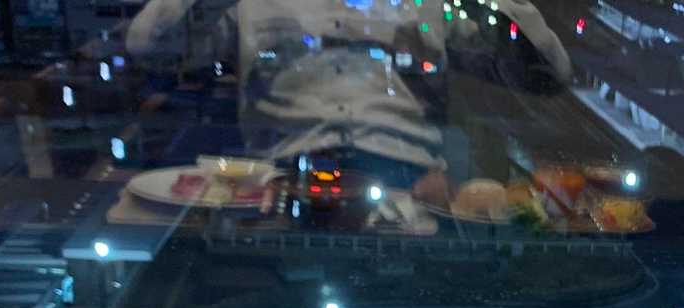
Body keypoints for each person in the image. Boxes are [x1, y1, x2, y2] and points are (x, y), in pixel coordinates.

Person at [124, 0, 571, 178]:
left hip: (411, 183)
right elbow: (148, 46)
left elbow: (546, 77)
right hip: (281, 178)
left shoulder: (431, 2)